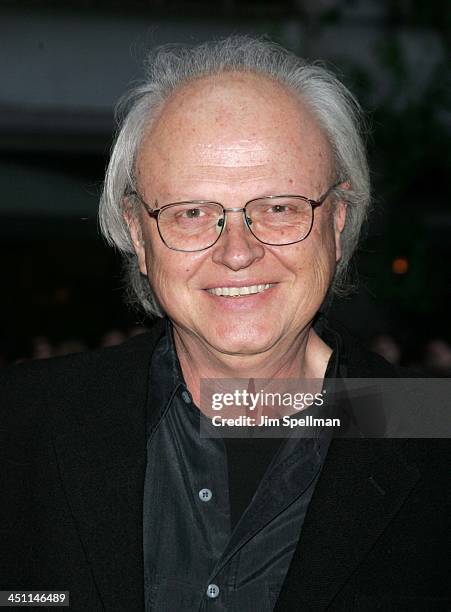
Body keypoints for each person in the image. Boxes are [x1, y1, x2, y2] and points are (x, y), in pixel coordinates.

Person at [1, 37, 449, 611]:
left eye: (280, 207)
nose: (237, 251)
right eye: (192, 213)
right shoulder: (21, 425)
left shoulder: (435, 432)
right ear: (139, 237)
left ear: (337, 223)